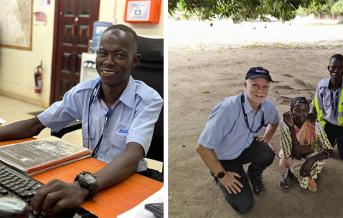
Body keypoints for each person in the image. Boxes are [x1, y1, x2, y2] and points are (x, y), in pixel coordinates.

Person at [0, 24, 163, 215]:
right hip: (88, 173)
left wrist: (84, 186)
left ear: (134, 61)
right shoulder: (84, 92)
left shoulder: (148, 100)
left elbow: (132, 155)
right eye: (103, 53)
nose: (108, 61)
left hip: (129, 178)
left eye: (119, 55)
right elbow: (35, 125)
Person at [196, 67, 279, 214]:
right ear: (244, 85)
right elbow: (202, 148)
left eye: (265, 86)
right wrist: (223, 175)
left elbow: (274, 122)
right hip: (224, 158)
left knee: (267, 153)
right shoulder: (227, 109)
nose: (261, 90)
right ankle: (216, 173)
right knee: (244, 206)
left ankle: (253, 175)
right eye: (255, 85)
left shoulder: (268, 107)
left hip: (244, 148)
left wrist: (267, 137)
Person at [278, 97, 333, 193]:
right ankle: (290, 173)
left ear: (309, 111)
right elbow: (296, 154)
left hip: (309, 149)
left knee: (315, 159)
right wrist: (291, 128)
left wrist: (311, 159)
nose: (301, 114)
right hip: (293, 151)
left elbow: (328, 149)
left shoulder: (314, 124)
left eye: (305, 110)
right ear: (291, 110)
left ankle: (310, 171)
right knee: (285, 162)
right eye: (297, 110)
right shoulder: (285, 124)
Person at [310, 54, 343, 160]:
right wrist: (312, 113)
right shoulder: (321, 85)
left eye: (340, 68)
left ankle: (338, 141)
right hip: (327, 124)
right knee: (326, 153)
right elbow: (315, 103)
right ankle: (330, 141)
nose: (336, 70)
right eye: (333, 67)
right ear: (328, 68)